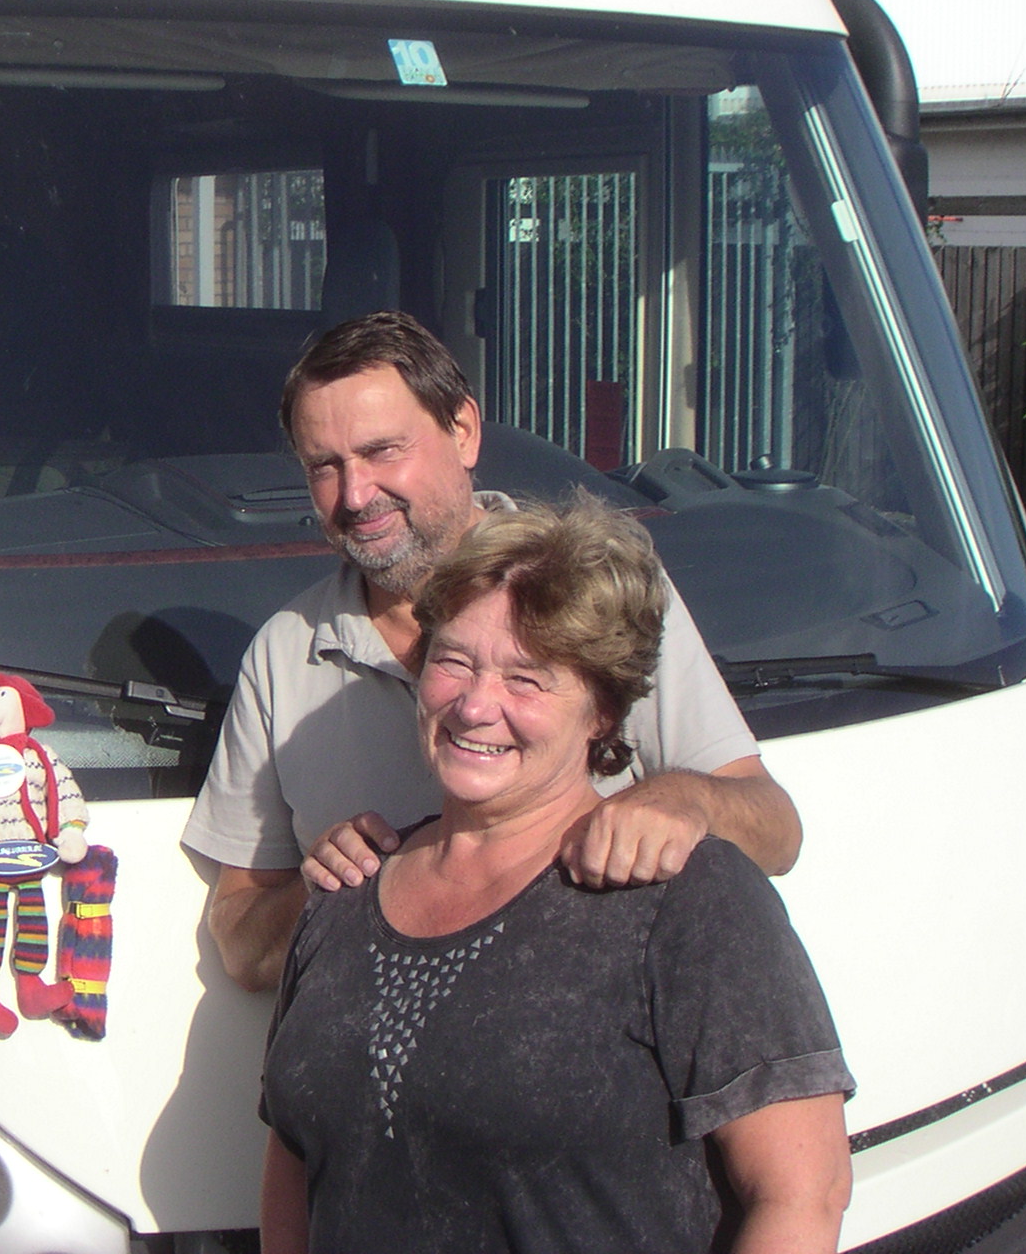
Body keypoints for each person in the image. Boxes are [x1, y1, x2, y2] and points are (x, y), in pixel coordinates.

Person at [259, 500, 853, 1254]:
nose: (476, 705)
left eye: (527, 679)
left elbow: (804, 1195)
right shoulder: (344, 893)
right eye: (454, 661)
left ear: (603, 709)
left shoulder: (688, 900)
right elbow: (292, 1167)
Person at [183, 311, 801, 990]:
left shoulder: (599, 590)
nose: (355, 495)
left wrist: (686, 801)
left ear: (464, 430)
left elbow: (775, 831)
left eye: (383, 451)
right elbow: (241, 944)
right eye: (325, 467)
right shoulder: (284, 654)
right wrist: (325, 888)